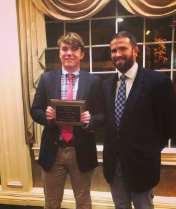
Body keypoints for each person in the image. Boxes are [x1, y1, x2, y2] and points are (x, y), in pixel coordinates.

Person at [102, 31, 176, 209]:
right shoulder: (106, 85)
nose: (117, 54)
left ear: (135, 51)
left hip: (142, 164)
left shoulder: (158, 82)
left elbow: (170, 123)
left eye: (122, 49)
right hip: (114, 163)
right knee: (120, 206)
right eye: (113, 50)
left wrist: (150, 148)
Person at [30, 32, 104, 209]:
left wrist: (90, 120)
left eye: (74, 49)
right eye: (65, 49)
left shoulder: (94, 81)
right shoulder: (47, 78)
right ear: (59, 53)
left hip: (82, 150)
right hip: (53, 151)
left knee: (83, 201)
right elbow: (35, 110)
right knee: (52, 203)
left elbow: (102, 115)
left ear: (82, 54)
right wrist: (46, 117)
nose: (69, 53)